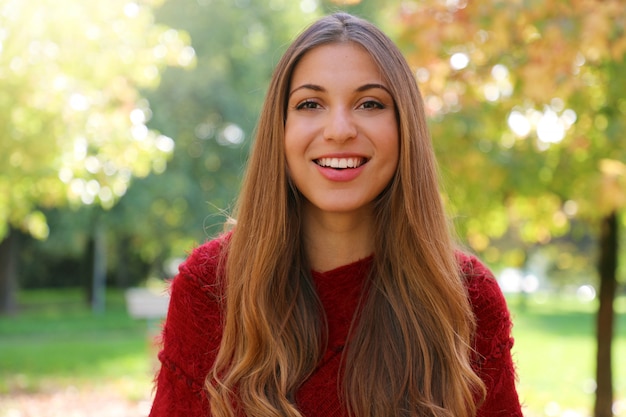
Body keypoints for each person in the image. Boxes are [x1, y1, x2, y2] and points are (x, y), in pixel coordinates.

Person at [149, 12, 523, 417]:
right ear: (281, 128)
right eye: (311, 103)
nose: (339, 129)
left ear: (404, 128)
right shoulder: (210, 288)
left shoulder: (465, 299)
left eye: (369, 104)